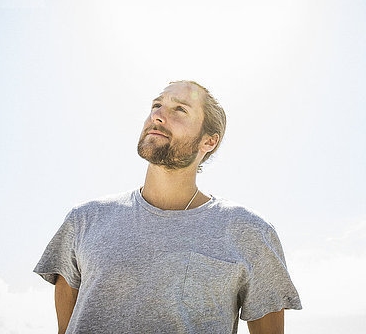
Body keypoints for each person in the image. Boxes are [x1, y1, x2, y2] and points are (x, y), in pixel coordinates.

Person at [34, 80, 301, 334]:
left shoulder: (250, 232)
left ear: (209, 141)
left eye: (180, 109)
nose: (158, 116)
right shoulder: (84, 220)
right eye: (156, 105)